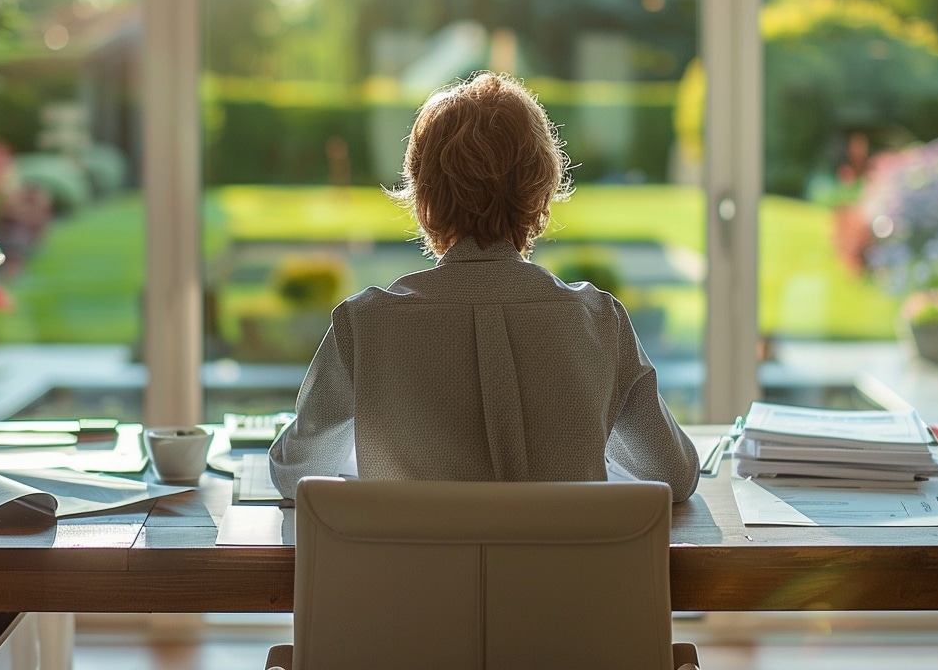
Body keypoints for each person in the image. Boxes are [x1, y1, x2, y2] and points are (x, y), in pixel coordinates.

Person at [268, 71, 700, 501]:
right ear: (541, 193)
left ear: (424, 199)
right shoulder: (597, 320)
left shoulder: (364, 325)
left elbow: (295, 475)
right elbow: (674, 475)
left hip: (417, 570)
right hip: (558, 570)